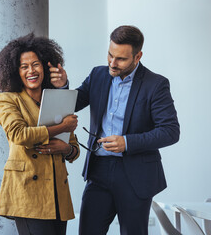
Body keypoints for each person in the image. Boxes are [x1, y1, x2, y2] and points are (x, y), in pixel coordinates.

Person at [49, 25, 180, 235]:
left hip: (136, 174)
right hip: (98, 169)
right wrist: (63, 85)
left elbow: (170, 131)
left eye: (120, 59)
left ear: (138, 56)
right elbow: (74, 103)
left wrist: (126, 142)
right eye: (110, 55)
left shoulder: (156, 84)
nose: (112, 63)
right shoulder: (98, 74)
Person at [0, 33, 81, 235]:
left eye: (35, 64)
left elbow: (74, 150)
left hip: (58, 195)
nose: (31, 71)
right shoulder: (7, 99)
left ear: (45, 67)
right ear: (16, 72)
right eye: (24, 66)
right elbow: (19, 135)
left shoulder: (58, 99)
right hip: (28, 193)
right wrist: (61, 127)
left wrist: (66, 148)